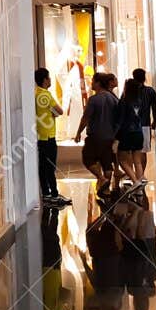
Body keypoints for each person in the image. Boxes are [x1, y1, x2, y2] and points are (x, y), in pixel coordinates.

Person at [75, 72, 120, 192]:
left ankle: (101, 178)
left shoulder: (94, 99)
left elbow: (86, 117)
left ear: (98, 83)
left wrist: (79, 132)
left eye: (93, 81)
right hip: (109, 136)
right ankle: (106, 187)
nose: (91, 84)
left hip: (95, 135)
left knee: (87, 158)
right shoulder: (113, 99)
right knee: (106, 162)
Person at [34, 68, 69, 207]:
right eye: (48, 78)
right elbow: (59, 111)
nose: (50, 80)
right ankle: (54, 194)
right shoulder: (45, 95)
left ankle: (46, 194)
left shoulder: (36, 93)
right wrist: (53, 111)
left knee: (43, 166)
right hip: (48, 135)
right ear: (44, 80)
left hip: (40, 134)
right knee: (50, 166)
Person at [115, 77, 148, 187]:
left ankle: (135, 181)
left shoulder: (124, 101)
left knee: (122, 159)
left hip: (127, 133)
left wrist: (115, 135)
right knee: (137, 160)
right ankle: (140, 181)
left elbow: (120, 119)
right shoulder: (139, 101)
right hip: (139, 133)